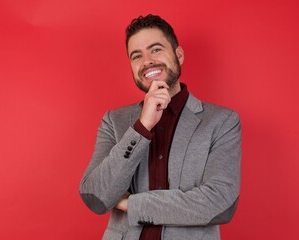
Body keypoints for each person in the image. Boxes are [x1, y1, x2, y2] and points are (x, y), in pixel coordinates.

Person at [79, 14, 242, 240]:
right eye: (137, 56)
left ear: (179, 54)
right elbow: (96, 197)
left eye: (155, 49)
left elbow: (220, 204)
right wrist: (142, 126)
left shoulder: (222, 122)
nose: (147, 61)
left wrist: (131, 204)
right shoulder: (114, 120)